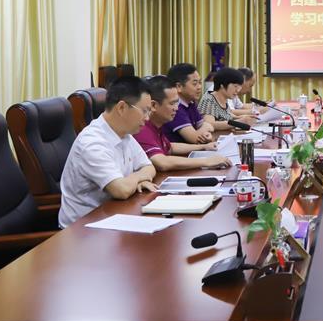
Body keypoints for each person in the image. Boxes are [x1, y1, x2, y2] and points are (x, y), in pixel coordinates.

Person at [58, 76, 157, 228]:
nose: (147, 118)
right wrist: (137, 177)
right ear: (121, 108)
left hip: (113, 216)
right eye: (144, 111)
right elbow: (121, 190)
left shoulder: (125, 133)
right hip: (82, 231)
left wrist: (138, 179)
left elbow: (149, 167)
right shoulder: (92, 142)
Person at [137, 75, 233, 172]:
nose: (176, 108)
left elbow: (170, 147)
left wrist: (204, 147)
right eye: (172, 103)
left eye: (177, 103)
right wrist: (206, 161)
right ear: (153, 105)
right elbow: (163, 163)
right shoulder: (142, 128)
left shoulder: (156, 125)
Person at [162, 62, 215, 144]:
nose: (199, 87)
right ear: (179, 87)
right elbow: (194, 138)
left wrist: (206, 130)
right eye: (195, 84)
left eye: (200, 82)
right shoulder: (175, 108)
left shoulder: (190, 103)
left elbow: (206, 128)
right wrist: (206, 126)